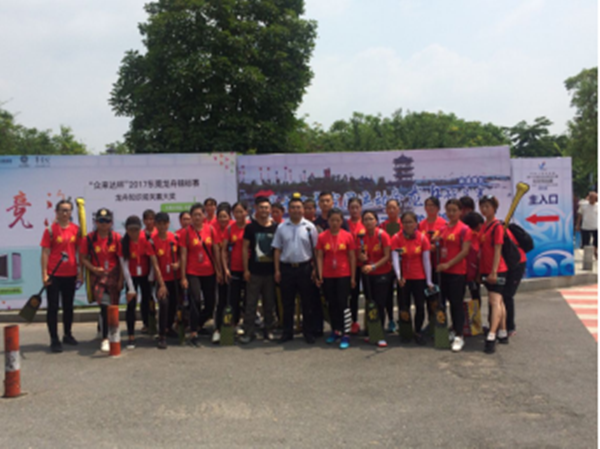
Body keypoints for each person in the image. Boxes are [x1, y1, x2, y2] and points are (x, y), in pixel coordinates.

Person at [273, 196, 320, 344]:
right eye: (293, 207)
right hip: (287, 269)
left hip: (305, 268)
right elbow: (277, 250)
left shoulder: (310, 227)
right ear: (288, 210)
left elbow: (316, 250)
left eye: (299, 207)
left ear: (303, 210)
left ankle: (308, 332)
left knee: (307, 302)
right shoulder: (281, 227)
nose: (296, 210)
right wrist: (277, 270)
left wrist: (315, 269)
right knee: (287, 303)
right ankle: (287, 332)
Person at [40, 199, 82, 353]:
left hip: (70, 274)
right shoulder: (50, 230)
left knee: (68, 306)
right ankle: (54, 339)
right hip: (54, 274)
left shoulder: (76, 230)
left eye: (68, 210)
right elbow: (45, 253)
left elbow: (80, 253)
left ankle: (67, 335)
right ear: (56, 212)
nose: (65, 213)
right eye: (62, 210)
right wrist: (44, 274)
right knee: (53, 307)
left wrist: (80, 273)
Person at [120, 215, 167, 349]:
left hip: (146, 276)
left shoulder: (146, 239)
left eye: (136, 229)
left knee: (147, 302)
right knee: (131, 305)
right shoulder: (124, 242)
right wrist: (131, 288)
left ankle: (150, 327)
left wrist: (151, 278)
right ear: (126, 230)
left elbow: (152, 261)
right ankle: (131, 336)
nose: (133, 233)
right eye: (130, 230)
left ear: (140, 229)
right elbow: (124, 266)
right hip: (131, 276)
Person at [179, 203, 222, 347]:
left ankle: (198, 324)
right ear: (191, 217)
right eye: (194, 215)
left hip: (209, 272)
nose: (197, 217)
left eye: (199, 214)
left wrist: (218, 270)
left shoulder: (211, 229)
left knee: (210, 303)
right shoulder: (186, 232)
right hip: (193, 272)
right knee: (195, 301)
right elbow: (183, 255)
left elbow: (216, 251)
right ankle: (193, 333)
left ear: (204, 215)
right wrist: (183, 277)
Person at [80, 208, 122, 352]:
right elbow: (83, 258)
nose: (104, 224)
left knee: (112, 306)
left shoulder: (117, 238)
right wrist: (93, 268)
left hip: (114, 276)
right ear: (96, 222)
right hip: (98, 277)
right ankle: (105, 338)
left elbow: (122, 261)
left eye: (107, 221)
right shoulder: (89, 239)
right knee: (105, 305)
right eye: (101, 221)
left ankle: (105, 328)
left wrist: (121, 280)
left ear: (111, 223)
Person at [391, 211, 434, 345]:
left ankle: (418, 331)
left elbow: (426, 261)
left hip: (419, 278)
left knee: (420, 306)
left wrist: (428, 280)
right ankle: (406, 331)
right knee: (404, 306)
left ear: (416, 223)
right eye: (405, 222)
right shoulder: (397, 238)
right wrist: (399, 276)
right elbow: (395, 259)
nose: (408, 225)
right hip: (404, 279)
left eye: (410, 222)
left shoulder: (422, 238)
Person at [434, 199, 472, 352]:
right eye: (448, 210)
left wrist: (449, 264)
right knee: (442, 303)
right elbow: (436, 244)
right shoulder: (443, 228)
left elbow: (465, 251)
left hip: (457, 272)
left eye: (454, 210)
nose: (451, 213)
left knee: (456, 304)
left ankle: (459, 335)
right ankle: (449, 330)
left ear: (460, 211)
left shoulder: (464, 229)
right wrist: (435, 241)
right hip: (443, 272)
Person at [315, 208, 356, 349]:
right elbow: (320, 257)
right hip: (328, 275)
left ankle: (346, 333)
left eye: (338, 220)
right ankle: (335, 330)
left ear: (341, 221)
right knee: (332, 304)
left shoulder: (347, 236)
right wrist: (320, 275)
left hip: (343, 274)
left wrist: (353, 277)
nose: (335, 223)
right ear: (328, 221)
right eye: (332, 220)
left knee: (343, 304)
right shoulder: (322, 236)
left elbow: (352, 257)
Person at [240, 196, 278, 344]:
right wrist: (246, 270)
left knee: (269, 304)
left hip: (270, 273)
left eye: (266, 207)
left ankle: (268, 331)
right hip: (254, 272)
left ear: (270, 209)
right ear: (256, 208)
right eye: (261, 207)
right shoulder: (250, 227)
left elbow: (278, 251)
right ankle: (249, 332)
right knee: (251, 304)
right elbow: (245, 249)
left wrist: (277, 271)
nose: (264, 210)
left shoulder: (275, 227)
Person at [478, 195, 509, 354]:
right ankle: (502, 331)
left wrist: (494, 272)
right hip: (486, 269)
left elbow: (498, 249)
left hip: (497, 269)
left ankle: (491, 335)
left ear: (494, 208)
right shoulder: (485, 225)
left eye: (487, 207)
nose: (484, 209)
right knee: (499, 301)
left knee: (494, 301)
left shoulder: (497, 227)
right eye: (482, 206)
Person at [357, 210, 392, 348]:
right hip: (367, 275)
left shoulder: (383, 235)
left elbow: (387, 256)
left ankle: (380, 335)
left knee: (379, 304)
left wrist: (373, 266)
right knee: (370, 303)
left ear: (376, 221)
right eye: (365, 219)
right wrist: (361, 257)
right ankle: (372, 332)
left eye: (371, 219)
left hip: (382, 274)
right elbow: (359, 254)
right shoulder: (361, 237)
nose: (368, 222)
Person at [152, 212, 181, 346]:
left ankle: (169, 327)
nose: (162, 226)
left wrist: (178, 264)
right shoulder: (152, 241)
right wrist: (162, 285)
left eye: (164, 223)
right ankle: (162, 335)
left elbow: (182, 255)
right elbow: (155, 265)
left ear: (168, 224)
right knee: (164, 304)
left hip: (175, 278)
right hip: (161, 280)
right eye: (159, 223)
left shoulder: (175, 237)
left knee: (174, 304)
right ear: (155, 225)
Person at [221, 201, 249, 331]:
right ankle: (235, 324)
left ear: (246, 212)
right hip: (234, 269)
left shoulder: (251, 227)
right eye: (236, 212)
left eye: (241, 211)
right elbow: (224, 250)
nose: (238, 214)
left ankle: (248, 324)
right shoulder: (230, 229)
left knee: (249, 299)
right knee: (234, 298)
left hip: (249, 269)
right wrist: (226, 269)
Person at [379, 199, 402, 333]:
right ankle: (391, 320)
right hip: (387, 264)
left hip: (403, 265)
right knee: (387, 294)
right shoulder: (382, 227)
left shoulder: (404, 224)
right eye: (389, 208)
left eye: (394, 208)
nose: (392, 210)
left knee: (402, 294)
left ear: (399, 209)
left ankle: (403, 320)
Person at [213, 203, 234, 343]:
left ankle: (231, 326)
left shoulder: (233, 228)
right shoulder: (214, 230)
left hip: (234, 269)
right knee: (221, 300)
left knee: (232, 300)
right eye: (220, 216)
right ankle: (217, 329)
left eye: (225, 216)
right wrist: (219, 271)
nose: (223, 219)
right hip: (220, 270)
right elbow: (216, 253)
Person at [504, 226, 527, 337]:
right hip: (509, 264)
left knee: (507, 295)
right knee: (502, 296)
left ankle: (510, 327)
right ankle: (502, 325)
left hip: (516, 263)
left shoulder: (500, 230)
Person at [347, 197, 365, 334]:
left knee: (368, 294)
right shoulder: (344, 224)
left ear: (361, 208)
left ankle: (370, 323)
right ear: (348, 209)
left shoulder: (365, 223)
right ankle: (353, 321)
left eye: (356, 207)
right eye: (352, 207)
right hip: (349, 265)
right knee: (352, 294)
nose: (354, 210)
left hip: (364, 264)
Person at [577, 191, 598, 259]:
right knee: (585, 243)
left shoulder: (598, 205)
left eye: (593, 198)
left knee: (597, 241)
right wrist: (578, 225)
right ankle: (587, 257)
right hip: (585, 226)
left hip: (596, 227)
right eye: (590, 197)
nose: (591, 199)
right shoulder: (584, 205)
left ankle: (595, 251)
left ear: (596, 198)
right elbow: (580, 215)